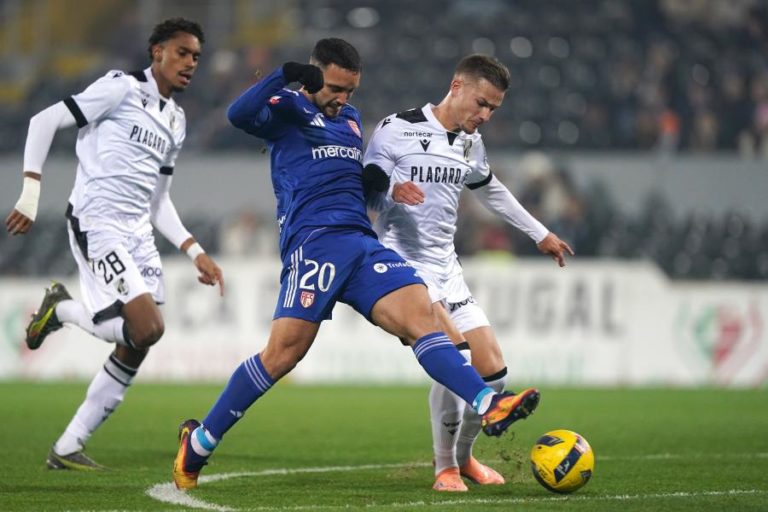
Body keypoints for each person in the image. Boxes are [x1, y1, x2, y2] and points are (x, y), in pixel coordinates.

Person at [172, 38, 539, 490]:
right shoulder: (286, 107)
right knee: (282, 355)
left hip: (362, 243)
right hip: (314, 246)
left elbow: (362, 182)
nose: (343, 99)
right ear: (313, 75)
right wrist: (285, 73)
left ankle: (486, 402)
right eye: (335, 88)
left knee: (424, 316)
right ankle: (201, 442)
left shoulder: (348, 119)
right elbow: (238, 115)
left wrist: (389, 188)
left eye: (351, 91)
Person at [4, 18, 223, 470]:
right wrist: (30, 189)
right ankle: (61, 310)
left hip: (137, 231)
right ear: (157, 51)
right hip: (96, 221)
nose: (190, 63)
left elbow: (159, 200)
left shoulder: (176, 120)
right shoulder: (120, 89)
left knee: (140, 341)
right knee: (148, 327)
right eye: (182, 53)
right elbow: (44, 120)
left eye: (197, 57)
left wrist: (194, 250)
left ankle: (67, 446)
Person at [363, 54, 574, 491]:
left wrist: (540, 233)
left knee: (494, 373)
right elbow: (364, 184)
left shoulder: (469, 142)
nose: (485, 115)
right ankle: (444, 468)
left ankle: (465, 459)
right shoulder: (396, 128)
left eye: (493, 109)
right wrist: (389, 190)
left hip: (447, 267)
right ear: (456, 86)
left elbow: (490, 189)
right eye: (481, 103)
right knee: (455, 357)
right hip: (404, 265)